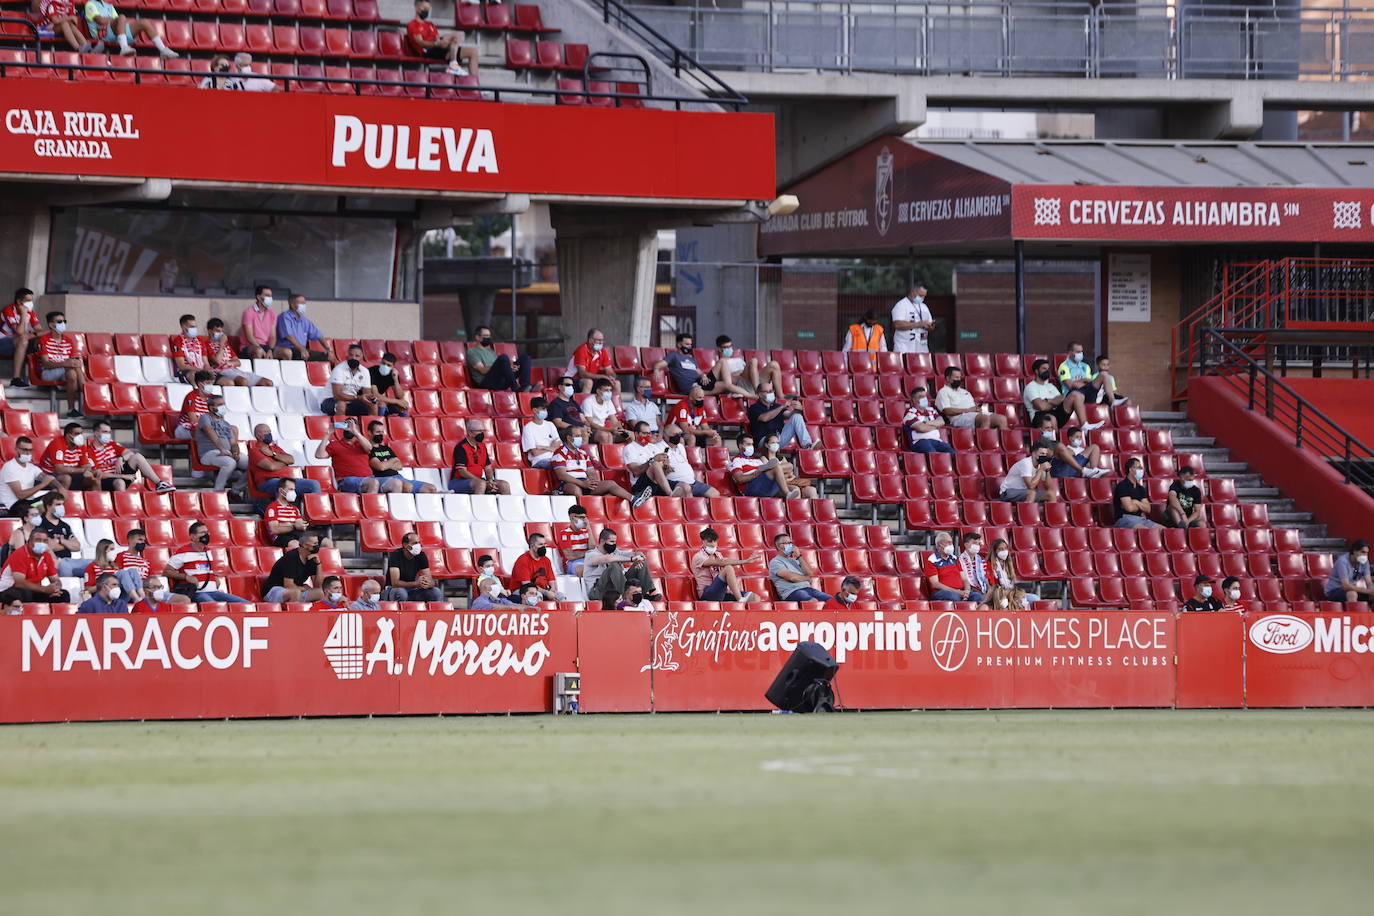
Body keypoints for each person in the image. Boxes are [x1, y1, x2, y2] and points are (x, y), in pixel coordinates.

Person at [163, 521, 247, 603]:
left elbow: (206, 569)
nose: (206, 535)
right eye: (202, 532)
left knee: (245, 604)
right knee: (215, 607)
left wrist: (215, 577)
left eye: (207, 532)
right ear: (193, 537)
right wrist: (186, 577)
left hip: (214, 592)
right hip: (197, 593)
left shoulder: (208, 551)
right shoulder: (183, 552)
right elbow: (166, 572)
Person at [86, 421, 174, 492]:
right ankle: (122, 511)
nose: (108, 435)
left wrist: (121, 458)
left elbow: (129, 453)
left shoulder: (111, 444)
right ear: (96, 433)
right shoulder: (88, 451)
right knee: (120, 482)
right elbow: (98, 475)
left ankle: (160, 483)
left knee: (137, 457)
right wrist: (123, 477)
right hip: (106, 480)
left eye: (109, 432)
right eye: (105, 432)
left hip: (120, 473)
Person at [550, 425, 631, 500]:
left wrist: (592, 481)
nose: (580, 438)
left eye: (580, 436)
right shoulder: (559, 453)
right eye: (577, 436)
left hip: (585, 483)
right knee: (576, 490)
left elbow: (591, 471)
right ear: (569, 438)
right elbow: (562, 475)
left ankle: (633, 499)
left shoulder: (583, 453)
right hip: (568, 484)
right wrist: (582, 484)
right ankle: (583, 512)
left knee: (610, 483)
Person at [581, 528, 658, 605]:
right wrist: (631, 559)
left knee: (641, 563)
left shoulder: (614, 552)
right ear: (602, 541)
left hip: (614, 588)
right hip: (597, 591)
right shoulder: (591, 554)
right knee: (614, 565)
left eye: (615, 542)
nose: (614, 545)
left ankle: (645, 595)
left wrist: (638, 555)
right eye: (611, 542)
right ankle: (625, 598)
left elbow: (627, 554)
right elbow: (607, 559)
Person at [1023, 358, 1102, 432]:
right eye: (1044, 369)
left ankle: (1084, 426)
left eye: (1048, 369)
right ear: (1036, 371)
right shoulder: (1031, 387)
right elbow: (1041, 407)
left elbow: (1062, 398)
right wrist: (1054, 402)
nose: (1047, 371)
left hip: (1056, 413)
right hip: (1039, 417)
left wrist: (1048, 400)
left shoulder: (1051, 386)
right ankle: (1055, 441)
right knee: (1051, 418)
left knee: (1075, 394)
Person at [81, 0, 178, 58]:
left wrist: (110, 21)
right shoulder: (90, 4)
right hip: (102, 34)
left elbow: (116, 21)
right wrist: (111, 20)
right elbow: (101, 21)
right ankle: (124, 47)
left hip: (114, 31)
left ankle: (163, 50)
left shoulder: (109, 6)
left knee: (143, 22)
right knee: (122, 17)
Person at [247, 424, 320, 501]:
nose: (270, 434)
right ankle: (282, 510)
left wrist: (273, 454)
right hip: (268, 482)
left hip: (286, 479)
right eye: (266, 432)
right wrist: (285, 462)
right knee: (285, 486)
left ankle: (315, 511)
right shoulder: (254, 451)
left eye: (270, 432)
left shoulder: (275, 448)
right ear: (258, 436)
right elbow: (271, 467)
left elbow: (291, 459)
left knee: (314, 484)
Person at [406, 0, 477, 76]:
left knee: (472, 51)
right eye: (424, 8)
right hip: (427, 51)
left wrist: (445, 40)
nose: (426, 11)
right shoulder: (413, 24)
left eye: (428, 9)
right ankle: (453, 64)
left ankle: (475, 84)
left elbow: (438, 37)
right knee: (447, 42)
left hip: (440, 48)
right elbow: (420, 42)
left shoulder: (430, 24)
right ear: (417, 7)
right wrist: (436, 44)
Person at [316, 417, 386, 495]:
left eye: (352, 426)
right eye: (346, 426)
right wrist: (327, 434)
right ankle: (371, 507)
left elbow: (369, 448)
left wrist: (356, 432)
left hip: (369, 478)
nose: (348, 429)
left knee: (396, 484)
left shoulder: (361, 443)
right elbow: (319, 455)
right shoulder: (335, 445)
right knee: (373, 483)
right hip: (346, 481)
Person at [690, 527, 760, 602]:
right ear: (703, 542)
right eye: (710, 542)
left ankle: (742, 608)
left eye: (715, 541)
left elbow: (726, 561)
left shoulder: (718, 555)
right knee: (728, 568)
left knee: (754, 598)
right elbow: (721, 563)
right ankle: (740, 599)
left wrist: (746, 561)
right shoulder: (698, 557)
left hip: (722, 592)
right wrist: (745, 561)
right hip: (707, 593)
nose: (713, 545)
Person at [35, 310, 84, 418]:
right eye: (60, 321)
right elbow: (46, 364)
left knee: (72, 372)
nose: (63, 324)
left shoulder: (68, 340)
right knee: (72, 368)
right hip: (47, 373)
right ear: (51, 325)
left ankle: (71, 410)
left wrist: (73, 363)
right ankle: (87, 394)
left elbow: (73, 362)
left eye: (64, 321)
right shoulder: (43, 340)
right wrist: (65, 363)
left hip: (66, 372)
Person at [367, 420, 436, 494]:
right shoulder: (369, 449)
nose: (380, 434)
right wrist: (392, 461)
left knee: (431, 488)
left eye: (382, 432)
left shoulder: (386, 448)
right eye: (378, 432)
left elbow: (399, 466)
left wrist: (386, 464)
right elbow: (380, 467)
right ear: (370, 433)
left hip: (399, 477)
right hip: (385, 480)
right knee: (407, 487)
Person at [196, 394, 248, 494]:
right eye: (220, 405)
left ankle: (235, 491)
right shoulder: (205, 418)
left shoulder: (226, 424)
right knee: (230, 463)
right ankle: (218, 492)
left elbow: (233, 443)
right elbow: (211, 433)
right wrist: (222, 449)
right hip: (209, 453)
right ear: (211, 408)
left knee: (253, 465)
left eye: (223, 404)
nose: (223, 407)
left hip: (227, 453)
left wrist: (235, 453)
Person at [263, 478, 331, 550]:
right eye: (291, 489)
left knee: (327, 542)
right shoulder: (272, 508)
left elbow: (301, 525)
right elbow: (274, 529)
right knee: (296, 545)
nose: (294, 492)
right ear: (281, 491)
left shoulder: (294, 508)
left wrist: (290, 525)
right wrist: (293, 525)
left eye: (294, 490)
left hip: (297, 534)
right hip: (281, 537)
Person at [0, 530, 63, 606]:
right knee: (26, 593)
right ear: (29, 542)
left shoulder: (47, 556)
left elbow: (55, 579)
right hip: (7, 591)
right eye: (38, 540)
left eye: (45, 541)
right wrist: (45, 589)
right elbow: (20, 583)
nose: (41, 543)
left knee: (63, 595)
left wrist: (56, 588)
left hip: (34, 590)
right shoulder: (20, 554)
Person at [1, 436, 59, 518]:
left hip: (29, 504)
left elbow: (44, 477)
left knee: (54, 494)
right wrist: (43, 484)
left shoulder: (32, 467)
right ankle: (39, 515)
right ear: (17, 449)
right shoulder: (9, 467)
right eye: (24, 450)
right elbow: (20, 495)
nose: (28, 453)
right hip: (13, 507)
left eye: (30, 450)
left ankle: (42, 515)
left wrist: (60, 488)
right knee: (33, 509)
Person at [709, 335, 781, 398]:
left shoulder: (739, 360)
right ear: (719, 349)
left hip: (753, 380)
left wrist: (746, 372)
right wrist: (739, 373)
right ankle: (758, 391)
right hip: (741, 385)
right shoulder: (720, 363)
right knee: (753, 361)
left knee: (773, 365)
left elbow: (751, 371)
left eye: (730, 346)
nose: (729, 349)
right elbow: (726, 381)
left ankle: (780, 395)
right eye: (726, 347)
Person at [936, 366, 1006, 430]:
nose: (959, 380)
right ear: (948, 378)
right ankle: (983, 443)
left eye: (959, 377)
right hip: (958, 418)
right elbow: (947, 411)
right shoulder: (943, 392)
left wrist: (976, 409)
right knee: (984, 419)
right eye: (956, 378)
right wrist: (968, 410)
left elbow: (972, 407)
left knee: (1001, 419)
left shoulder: (965, 392)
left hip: (973, 414)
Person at [747, 383, 814, 450]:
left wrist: (798, 409)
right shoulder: (754, 408)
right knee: (771, 439)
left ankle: (807, 445)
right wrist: (782, 407)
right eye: (768, 391)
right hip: (763, 441)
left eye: (771, 391)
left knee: (797, 416)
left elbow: (788, 415)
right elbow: (764, 418)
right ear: (760, 394)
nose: (771, 393)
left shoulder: (777, 406)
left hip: (779, 439)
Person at [449, 420, 509, 495]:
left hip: (478, 480)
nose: (482, 433)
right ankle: (479, 506)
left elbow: (488, 468)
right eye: (479, 431)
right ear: (470, 433)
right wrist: (481, 481)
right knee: (481, 484)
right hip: (459, 481)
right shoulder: (461, 447)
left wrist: (490, 480)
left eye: (483, 431)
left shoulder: (482, 446)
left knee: (504, 485)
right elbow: (462, 472)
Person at [205, 318, 269, 387]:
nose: (220, 334)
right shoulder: (206, 345)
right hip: (222, 371)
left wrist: (228, 363)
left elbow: (238, 362)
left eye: (221, 332)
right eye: (217, 331)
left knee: (267, 383)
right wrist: (222, 345)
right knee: (243, 382)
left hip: (235, 370)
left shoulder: (227, 346)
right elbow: (217, 361)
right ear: (209, 331)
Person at [261, 535, 325, 604]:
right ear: (305, 545)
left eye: (317, 543)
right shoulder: (291, 557)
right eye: (315, 544)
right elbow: (288, 585)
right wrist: (303, 588)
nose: (317, 546)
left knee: (320, 593)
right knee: (295, 593)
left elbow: (318, 586)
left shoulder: (312, 558)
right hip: (274, 590)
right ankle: (292, 614)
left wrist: (318, 564)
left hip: (295, 591)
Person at [768, 532, 830, 603]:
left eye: (790, 543)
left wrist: (799, 556)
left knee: (832, 600)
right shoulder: (775, 562)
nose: (789, 545)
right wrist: (806, 578)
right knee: (813, 602)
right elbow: (792, 577)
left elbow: (810, 573)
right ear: (778, 546)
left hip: (808, 589)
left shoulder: (795, 560)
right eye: (785, 543)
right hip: (791, 592)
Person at [729, 434, 796, 499]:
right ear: (741, 446)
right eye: (748, 444)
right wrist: (757, 473)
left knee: (794, 488)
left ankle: (792, 509)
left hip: (764, 484)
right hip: (751, 488)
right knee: (776, 468)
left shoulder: (756, 460)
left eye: (752, 444)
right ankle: (787, 493)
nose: (751, 447)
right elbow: (739, 479)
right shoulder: (736, 460)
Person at [37, 491, 88, 578]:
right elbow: (47, 547)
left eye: (62, 504)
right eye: (57, 504)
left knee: (96, 564)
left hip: (70, 560)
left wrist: (61, 541)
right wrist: (67, 544)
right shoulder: (41, 524)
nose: (61, 507)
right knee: (65, 566)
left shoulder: (65, 526)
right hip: (55, 561)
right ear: (48, 506)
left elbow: (77, 547)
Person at [383, 532, 443, 603]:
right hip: (393, 589)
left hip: (412, 590)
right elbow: (395, 583)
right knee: (401, 593)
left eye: (419, 543)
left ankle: (433, 614)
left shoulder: (421, 555)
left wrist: (429, 583)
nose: (418, 545)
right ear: (405, 545)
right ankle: (401, 613)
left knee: (436, 592)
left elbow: (429, 578)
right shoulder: (395, 555)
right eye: (415, 543)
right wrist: (416, 584)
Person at [321, 343, 378, 417]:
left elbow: (366, 394)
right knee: (341, 404)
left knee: (373, 405)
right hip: (330, 401)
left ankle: (372, 427)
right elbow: (337, 395)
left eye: (357, 356)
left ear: (362, 357)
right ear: (347, 356)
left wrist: (370, 398)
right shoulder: (339, 369)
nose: (353, 358)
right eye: (351, 355)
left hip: (352, 401)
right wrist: (358, 398)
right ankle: (340, 428)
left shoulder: (365, 371)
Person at [466, 327, 530, 392]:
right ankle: (516, 388)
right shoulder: (472, 352)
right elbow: (482, 370)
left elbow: (499, 368)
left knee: (525, 358)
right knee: (503, 358)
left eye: (489, 336)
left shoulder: (491, 351)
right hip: (486, 383)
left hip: (500, 381)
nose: (488, 338)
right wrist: (505, 366)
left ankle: (525, 387)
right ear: (477, 337)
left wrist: (509, 367)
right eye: (485, 336)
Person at [1042, 418, 1107, 479]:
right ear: (1070, 438)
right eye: (1077, 437)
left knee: (1094, 447)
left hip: (1076, 472)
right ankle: (1087, 472)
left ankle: (1094, 471)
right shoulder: (1064, 448)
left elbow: (1088, 463)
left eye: (1080, 437)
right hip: (1062, 470)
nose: (1079, 439)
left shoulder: (1083, 450)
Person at [38, 422, 95, 492]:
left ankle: (93, 502)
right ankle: (64, 501)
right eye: (77, 434)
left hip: (71, 474)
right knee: (66, 478)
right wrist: (83, 470)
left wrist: (87, 471)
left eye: (81, 434)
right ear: (68, 435)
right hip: (49, 474)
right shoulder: (57, 444)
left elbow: (86, 466)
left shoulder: (81, 445)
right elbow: (59, 470)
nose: (80, 436)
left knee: (93, 479)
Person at [1, 287, 39, 388]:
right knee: (23, 339)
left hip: (18, 343)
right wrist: (23, 314)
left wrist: (32, 334)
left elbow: (40, 330)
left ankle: (41, 377)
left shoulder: (30, 312)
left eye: (32, 300)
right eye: (28, 301)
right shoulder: (8, 309)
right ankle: (16, 378)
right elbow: (19, 332)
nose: (31, 303)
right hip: (3, 342)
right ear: (19, 301)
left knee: (40, 341)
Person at [663, 429, 717, 498]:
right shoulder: (659, 448)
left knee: (715, 493)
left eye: (680, 434)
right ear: (665, 436)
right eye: (675, 434)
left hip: (692, 481)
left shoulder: (681, 447)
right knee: (686, 489)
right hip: (676, 482)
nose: (678, 437)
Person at [510, 532, 562, 601]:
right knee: (537, 597)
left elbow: (552, 581)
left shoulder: (546, 560)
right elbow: (527, 586)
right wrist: (546, 593)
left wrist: (552, 591)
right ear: (532, 546)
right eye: (540, 544)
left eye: (544, 544)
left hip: (543, 590)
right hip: (523, 591)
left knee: (561, 596)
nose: (543, 547)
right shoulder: (523, 560)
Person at [1057, 341, 1111, 407]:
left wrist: (1081, 382)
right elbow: (1070, 385)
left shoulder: (1086, 366)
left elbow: (1089, 381)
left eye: (1081, 351)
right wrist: (1084, 380)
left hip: (1087, 393)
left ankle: (1112, 401)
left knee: (1104, 374)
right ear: (1070, 353)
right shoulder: (1064, 366)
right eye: (1078, 352)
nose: (1080, 354)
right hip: (1072, 395)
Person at [761, 434, 817, 499]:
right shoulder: (764, 458)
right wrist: (784, 475)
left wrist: (784, 476)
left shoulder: (782, 458)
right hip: (776, 486)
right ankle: (795, 509)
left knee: (812, 490)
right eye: (773, 442)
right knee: (795, 490)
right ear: (766, 445)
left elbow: (790, 474)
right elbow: (770, 476)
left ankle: (813, 509)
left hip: (789, 482)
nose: (776, 445)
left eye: (777, 443)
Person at [901, 386, 953, 454]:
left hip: (937, 441)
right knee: (933, 453)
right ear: (914, 400)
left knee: (952, 452)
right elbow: (921, 428)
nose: (924, 398)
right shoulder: (909, 413)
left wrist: (926, 423)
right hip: (920, 442)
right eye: (920, 397)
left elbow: (942, 422)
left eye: (924, 396)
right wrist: (936, 426)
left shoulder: (931, 410)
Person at [923, 531, 972, 602]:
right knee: (953, 597)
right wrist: (957, 592)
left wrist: (967, 592)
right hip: (941, 592)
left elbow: (964, 579)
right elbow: (935, 584)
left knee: (978, 597)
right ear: (939, 545)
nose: (951, 545)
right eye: (948, 543)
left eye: (951, 542)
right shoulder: (932, 560)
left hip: (960, 591)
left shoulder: (955, 559)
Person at [569, 328, 620, 395]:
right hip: (572, 380)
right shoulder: (581, 350)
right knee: (588, 382)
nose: (601, 343)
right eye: (598, 340)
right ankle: (584, 404)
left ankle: (614, 405)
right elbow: (582, 374)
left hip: (592, 379)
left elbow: (609, 370)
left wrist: (612, 376)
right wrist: (603, 376)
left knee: (616, 383)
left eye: (602, 340)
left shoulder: (603, 351)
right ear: (590, 340)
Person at [273, 294, 325, 360]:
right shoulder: (284, 317)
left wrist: (329, 349)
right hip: (288, 348)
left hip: (302, 350)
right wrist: (301, 349)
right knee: (294, 353)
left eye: (304, 303)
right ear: (292, 305)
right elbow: (289, 336)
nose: (304, 306)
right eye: (302, 303)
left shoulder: (305, 320)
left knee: (325, 356)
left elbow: (318, 335)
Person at [987, 538, 1039, 603]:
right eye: (1000, 549)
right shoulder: (989, 565)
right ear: (995, 551)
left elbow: (1013, 584)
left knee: (1035, 598)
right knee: (1022, 601)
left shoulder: (1008, 564)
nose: (1004, 551)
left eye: (1005, 548)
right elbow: (992, 587)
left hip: (1012, 593)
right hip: (1000, 595)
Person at [1113, 457, 1159, 529]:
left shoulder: (1140, 488)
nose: (1141, 470)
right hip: (1124, 519)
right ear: (1130, 470)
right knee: (1146, 531)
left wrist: (1136, 502)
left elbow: (1148, 509)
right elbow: (1129, 508)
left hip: (1140, 518)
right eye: (1139, 468)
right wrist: (1141, 506)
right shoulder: (1122, 486)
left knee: (1164, 530)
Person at [1324, 540, 1373, 604]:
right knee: (1352, 594)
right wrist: (1367, 591)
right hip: (1335, 590)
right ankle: (1353, 614)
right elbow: (1346, 586)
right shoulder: (1342, 562)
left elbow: (1369, 581)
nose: (1365, 555)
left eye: (1366, 553)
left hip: (1353, 589)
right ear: (1354, 551)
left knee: (1372, 595)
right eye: (1363, 552)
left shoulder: (1364, 562)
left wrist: (1372, 589)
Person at [583, 379, 631, 445]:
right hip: (591, 431)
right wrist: (609, 430)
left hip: (604, 430)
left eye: (610, 390)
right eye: (606, 390)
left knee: (631, 435)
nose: (609, 393)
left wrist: (621, 430)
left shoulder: (608, 402)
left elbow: (615, 421)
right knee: (606, 436)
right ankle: (608, 455)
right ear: (598, 391)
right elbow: (591, 423)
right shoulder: (588, 402)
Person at [891, 283, 934, 354]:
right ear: (913, 292)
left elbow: (930, 325)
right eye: (920, 295)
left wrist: (930, 326)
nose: (922, 298)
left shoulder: (924, 307)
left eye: (924, 296)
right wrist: (919, 324)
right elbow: (897, 325)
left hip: (922, 349)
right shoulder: (901, 305)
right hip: (904, 349)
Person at [521, 398, 561, 469]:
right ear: (534, 410)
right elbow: (535, 453)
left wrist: (543, 447)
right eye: (543, 409)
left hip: (555, 458)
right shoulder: (528, 428)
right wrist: (552, 448)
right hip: (539, 460)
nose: (545, 411)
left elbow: (558, 444)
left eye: (546, 409)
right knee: (559, 466)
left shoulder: (550, 424)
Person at [175, 370, 215, 442]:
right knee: (202, 431)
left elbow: (217, 418)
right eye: (208, 383)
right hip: (184, 429)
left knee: (232, 429)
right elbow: (193, 421)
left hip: (207, 428)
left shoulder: (213, 398)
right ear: (200, 384)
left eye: (212, 383)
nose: (211, 386)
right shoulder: (191, 397)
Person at [239, 286, 276, 360]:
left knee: (284, 352)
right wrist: (261, 348)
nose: (270, 298)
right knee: (258, 351)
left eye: (271, 296)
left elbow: (272, 337)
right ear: (258, 297)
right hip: (249, 346)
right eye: (267, 295)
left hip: (266, 346)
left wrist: (270, 350)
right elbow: (249, 336)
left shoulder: (272, 313)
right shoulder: (248, 312)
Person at [553, 504, 591, 576]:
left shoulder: (586, 532)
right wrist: (588, 553)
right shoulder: (565, 533)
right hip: (572, 563)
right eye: (581, 518)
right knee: (585, 570)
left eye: (585, 518)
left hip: (588, 561)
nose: (584, 521)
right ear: (572, 518)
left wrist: (589, 528)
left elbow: (592, 548)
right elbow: (570, 556)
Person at [170, 313, 208, 383]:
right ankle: (196, 392)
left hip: (202, 371)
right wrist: (200, 370)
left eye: (195, 327)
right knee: (195, 375)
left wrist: (208, 369)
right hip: (186, 372)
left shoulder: (200, 340)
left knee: (228, 382)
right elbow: (182, 366)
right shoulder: (178, 341)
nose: (195, 329)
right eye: (192, 327)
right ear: (183, 327)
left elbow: (205, 362)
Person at [369, 351, 409, 416]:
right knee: (381, 404)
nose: (385, 366)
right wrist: (397, 401)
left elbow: (400, 396)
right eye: (383, 363)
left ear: (393, 367)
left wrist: (395, 379)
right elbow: (375, 395)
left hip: (378, 400)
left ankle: (402, 425)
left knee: (404, 406)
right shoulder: (372, 371)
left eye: (388, 365)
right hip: (364, 399)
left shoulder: (392, 374)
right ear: (381, 362)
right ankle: (380, 423)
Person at [958, 532, 989, 604]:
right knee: (979, 597)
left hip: (983, 590)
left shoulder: (981, 560)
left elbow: (986, 579)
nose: (977, 546)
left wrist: (989, 592)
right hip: (969, 591)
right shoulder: (959, 560)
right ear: (966, 545)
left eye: (978, 544)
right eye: (974, 543)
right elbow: (964, 580)